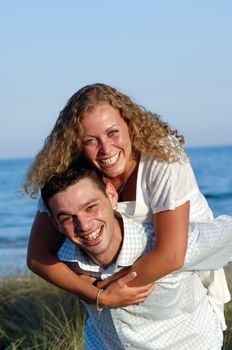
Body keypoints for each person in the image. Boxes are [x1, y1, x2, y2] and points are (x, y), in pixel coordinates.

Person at [24, 83, 230, 328]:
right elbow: (37, 256)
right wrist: (98, 296)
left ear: (130, 126)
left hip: (185, 271)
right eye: (90, 140)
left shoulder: (161, 158)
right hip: (129, 276)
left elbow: (172, 255)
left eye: (113, 132)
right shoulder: (73, 175)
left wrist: (106, 290)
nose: (106, 149)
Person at [41, 162, 232, 349]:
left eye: (90, 207)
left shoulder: (171, 245)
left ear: (111, 195)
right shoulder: (64, 261)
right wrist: (98, 293)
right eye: (67, 217)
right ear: (55, 224)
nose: (83, 225)